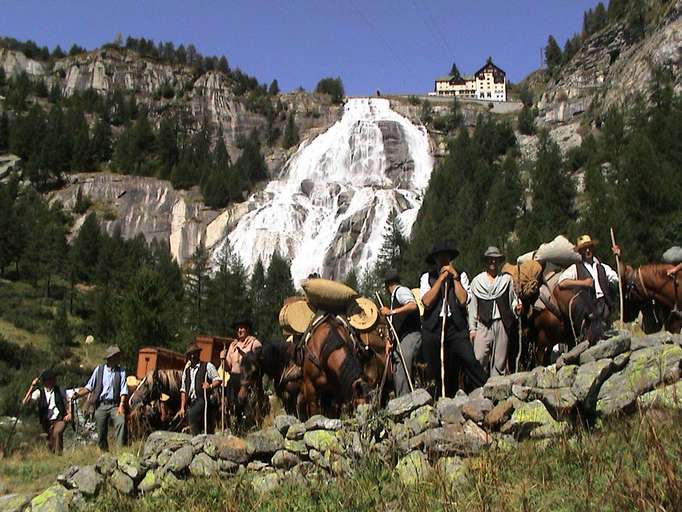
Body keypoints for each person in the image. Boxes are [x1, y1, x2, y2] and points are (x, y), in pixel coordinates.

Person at [420, 240, 487, 397]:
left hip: (456, 327)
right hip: (434, 328)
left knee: (469, 359)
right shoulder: (426, 278)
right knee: (437, 367)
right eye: (439, 258)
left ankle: (486, 390)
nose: (443, 261)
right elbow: (426, 301)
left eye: (446, 257)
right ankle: (441, 399)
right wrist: (440, 281)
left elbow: (463, 300)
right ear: (435, 260)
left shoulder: (461, 275)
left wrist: (455, 280)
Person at [469, 247, 523, 378]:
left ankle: (497, 390)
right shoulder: (477, 282)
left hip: (501, 323)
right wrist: (472, 329)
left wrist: (517, 307)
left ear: (499, 262)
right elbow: (472, 306)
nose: (493, 262)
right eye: (490, 259)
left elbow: (512, 301)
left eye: (496, 259)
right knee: (479, 357)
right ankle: (478, 387)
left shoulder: (506, 280)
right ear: (486, 261)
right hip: (483, 324)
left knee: (500, 362)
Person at [558, 235, 620, 329]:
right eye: (584, 249)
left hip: (604, 305)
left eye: (589, 248)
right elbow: (562, 283)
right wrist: (583, 283)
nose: (587, 251)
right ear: (580, 252)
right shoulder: (575, 268)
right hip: (588, 309)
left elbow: (617, 279)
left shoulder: (602, 267)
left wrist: (618, 259)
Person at [76, 345, 128, 451]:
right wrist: (78, 395)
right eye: (116, 356)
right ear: (110, 358)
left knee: (121, 422)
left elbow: (123, 390)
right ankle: (104, 454)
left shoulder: (121, 371)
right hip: (101, 405)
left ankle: (120, 451)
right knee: (101, 432)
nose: (118, 359)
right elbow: (89, 386)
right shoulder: (99, 370)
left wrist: (121, 405)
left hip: (115, 405)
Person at [379, 269, 422, 397]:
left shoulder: (401, 291)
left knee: (402, 360)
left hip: (411, 335)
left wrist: (391, 312)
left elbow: (413, 305)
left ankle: (404, 400)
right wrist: (389, 340)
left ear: (387, 285)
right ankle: (403, 397)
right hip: (402, 337)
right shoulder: (393, 299)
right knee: (398, 361)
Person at [22, 368, 72, 455]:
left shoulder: (60, 390)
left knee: (57, 432)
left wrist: (70, 413)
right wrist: (32, 387)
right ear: (45, 381)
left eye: (53, 379)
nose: (53, 381)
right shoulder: (39, 392)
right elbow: (25, 402)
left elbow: (69, 399)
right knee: (50, 442)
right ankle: (53, 457)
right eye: (50, 379)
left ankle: (58, 455)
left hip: (59, 419)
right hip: (46, 422)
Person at [179, 343, 222, 434]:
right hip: (190, 401)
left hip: (203, 399)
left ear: (198, 354)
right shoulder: (186, 371)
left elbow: (218, 380)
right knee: (187, 418)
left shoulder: (207, 366)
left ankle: (196, 439)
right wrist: (182, 407)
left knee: (193, 415)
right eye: (190, 354)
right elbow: (183, 390)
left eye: (194, 353)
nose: (192, 356)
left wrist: (210, 386)